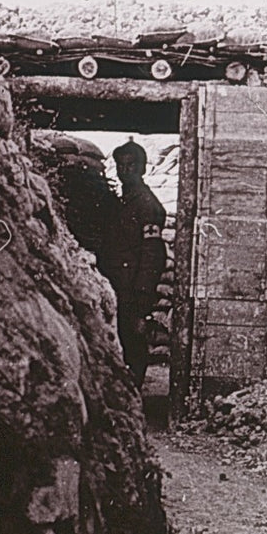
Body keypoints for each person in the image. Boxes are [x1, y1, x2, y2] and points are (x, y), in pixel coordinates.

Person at [103, 140, 167, 383]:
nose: (124, 170)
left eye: (131, 165)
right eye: (120, 165)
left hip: (133, 289)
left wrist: (142, 296)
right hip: (118, 284)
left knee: (133, 343)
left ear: (143, 168)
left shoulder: (147, 205)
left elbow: (153, 254)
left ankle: (135, 394)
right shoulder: (122, 201)